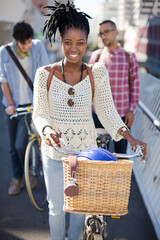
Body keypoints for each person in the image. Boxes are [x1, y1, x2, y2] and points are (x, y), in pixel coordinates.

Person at [32, 1, 146, 239]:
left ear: (87, 42)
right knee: (56, 208)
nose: (74, 49)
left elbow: (107, 112)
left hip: (85, 154)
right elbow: (39, 113)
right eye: (68, 42)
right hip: (55, 154)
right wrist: (46, 129)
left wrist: (130, 136)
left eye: (80, 43)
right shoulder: (45, 75)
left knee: (79, 209)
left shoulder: (97, 73)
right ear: (61, 41)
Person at [0, 21, 49, 195]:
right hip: (12, 106)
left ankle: (29, 171)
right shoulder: (5, 51)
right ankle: (17, 178)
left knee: (21, 145)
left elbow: (45, 74)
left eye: (29, 41)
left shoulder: (38, 47)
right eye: (23, 44)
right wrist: (11, 104)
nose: (27, 46)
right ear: (15, 40)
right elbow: (3, 80)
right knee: (12, 146)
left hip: (31, 105)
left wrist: (42, 102)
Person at [89, 20, 139, 154]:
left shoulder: (129, 57)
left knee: (121, 156)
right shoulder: (96, 56)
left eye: (106, 32)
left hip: (122, 114)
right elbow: (89, 84)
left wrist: (131, 111)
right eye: (100, 34)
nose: (103, 36)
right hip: (98, 115)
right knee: (98, 156)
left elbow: (135, 85)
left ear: (115, 32)